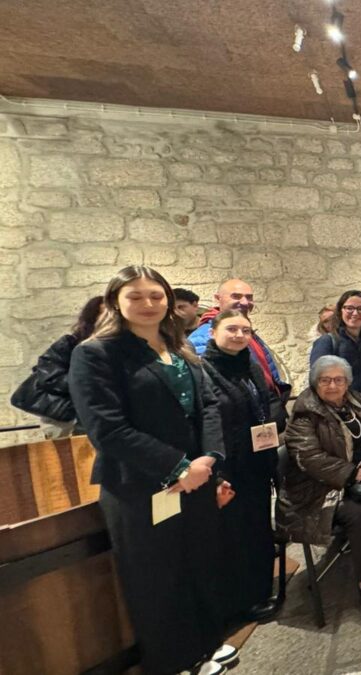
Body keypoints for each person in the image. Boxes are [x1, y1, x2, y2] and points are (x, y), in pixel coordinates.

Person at [68, 266, 230, 675]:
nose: (148, 304)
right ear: (115, 302)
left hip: (197, 477)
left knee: (200, 562)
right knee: (158, 578)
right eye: (135, 296)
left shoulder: (179, 348)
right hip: (140, 485)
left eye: (156, 295)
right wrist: (178, 466)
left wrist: (209, 458)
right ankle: (173, 662)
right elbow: (107, 429)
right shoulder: (96, 354)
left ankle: (206, 644)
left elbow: (209, 405)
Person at [279, 355, 361, 622]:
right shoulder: (305, 414)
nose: (332, 385)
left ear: (347, 382)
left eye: (339, 380)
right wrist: (354, 473)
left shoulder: (359, 402)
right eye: (325, 380)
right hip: (320, 489)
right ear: (315, 382)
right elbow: (310, 458)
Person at [201, 309, 287, 622]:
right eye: (232, 329)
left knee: (258, 527)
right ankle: (242, 602)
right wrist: (217, 473)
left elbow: (265, 401)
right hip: (229, 466)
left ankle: (260, 591)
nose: (239, 335)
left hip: (256, 461)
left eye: (245, 330)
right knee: (235, 535)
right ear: (213, 332)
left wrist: (272, 427)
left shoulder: (249, 364)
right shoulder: (204, 371)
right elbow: (207, 422)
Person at [11, 295, 103, 438]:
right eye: (102, 315)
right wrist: (88, 384)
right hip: (63, 417)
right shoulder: (70, 343)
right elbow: (50, 377)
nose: (108, 320)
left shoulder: (118, 347)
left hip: (93, 417)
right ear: (92, 318)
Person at [190, 278, 290, 399]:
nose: (244, 302)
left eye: (249, 297)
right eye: (236, 296)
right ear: (217, 298)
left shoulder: (245, 329)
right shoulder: (203, 336)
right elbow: (210, 388)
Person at [310, 290, 361, 404]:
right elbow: (319, 383)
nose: (355, 313)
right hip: (341, 408)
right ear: (340, 311)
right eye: (349, 308)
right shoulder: (326, 342)